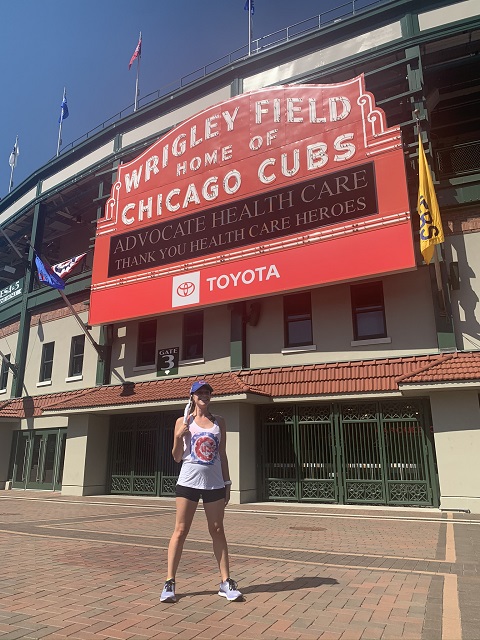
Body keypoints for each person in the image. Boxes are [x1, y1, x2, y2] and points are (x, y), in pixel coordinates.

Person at [160, 380, 243, 603]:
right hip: (187, 482)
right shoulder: (183, 421)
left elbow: (222, 454)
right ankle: (170, 582)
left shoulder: (219, 422)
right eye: (200, 393)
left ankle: (225, 582)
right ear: (192, 397)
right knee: (180, 530)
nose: (204, 395)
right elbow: (177, 457)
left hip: (214, 484)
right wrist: (179, 436)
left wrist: (227, 482)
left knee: (217, 529)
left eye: (207, 392)